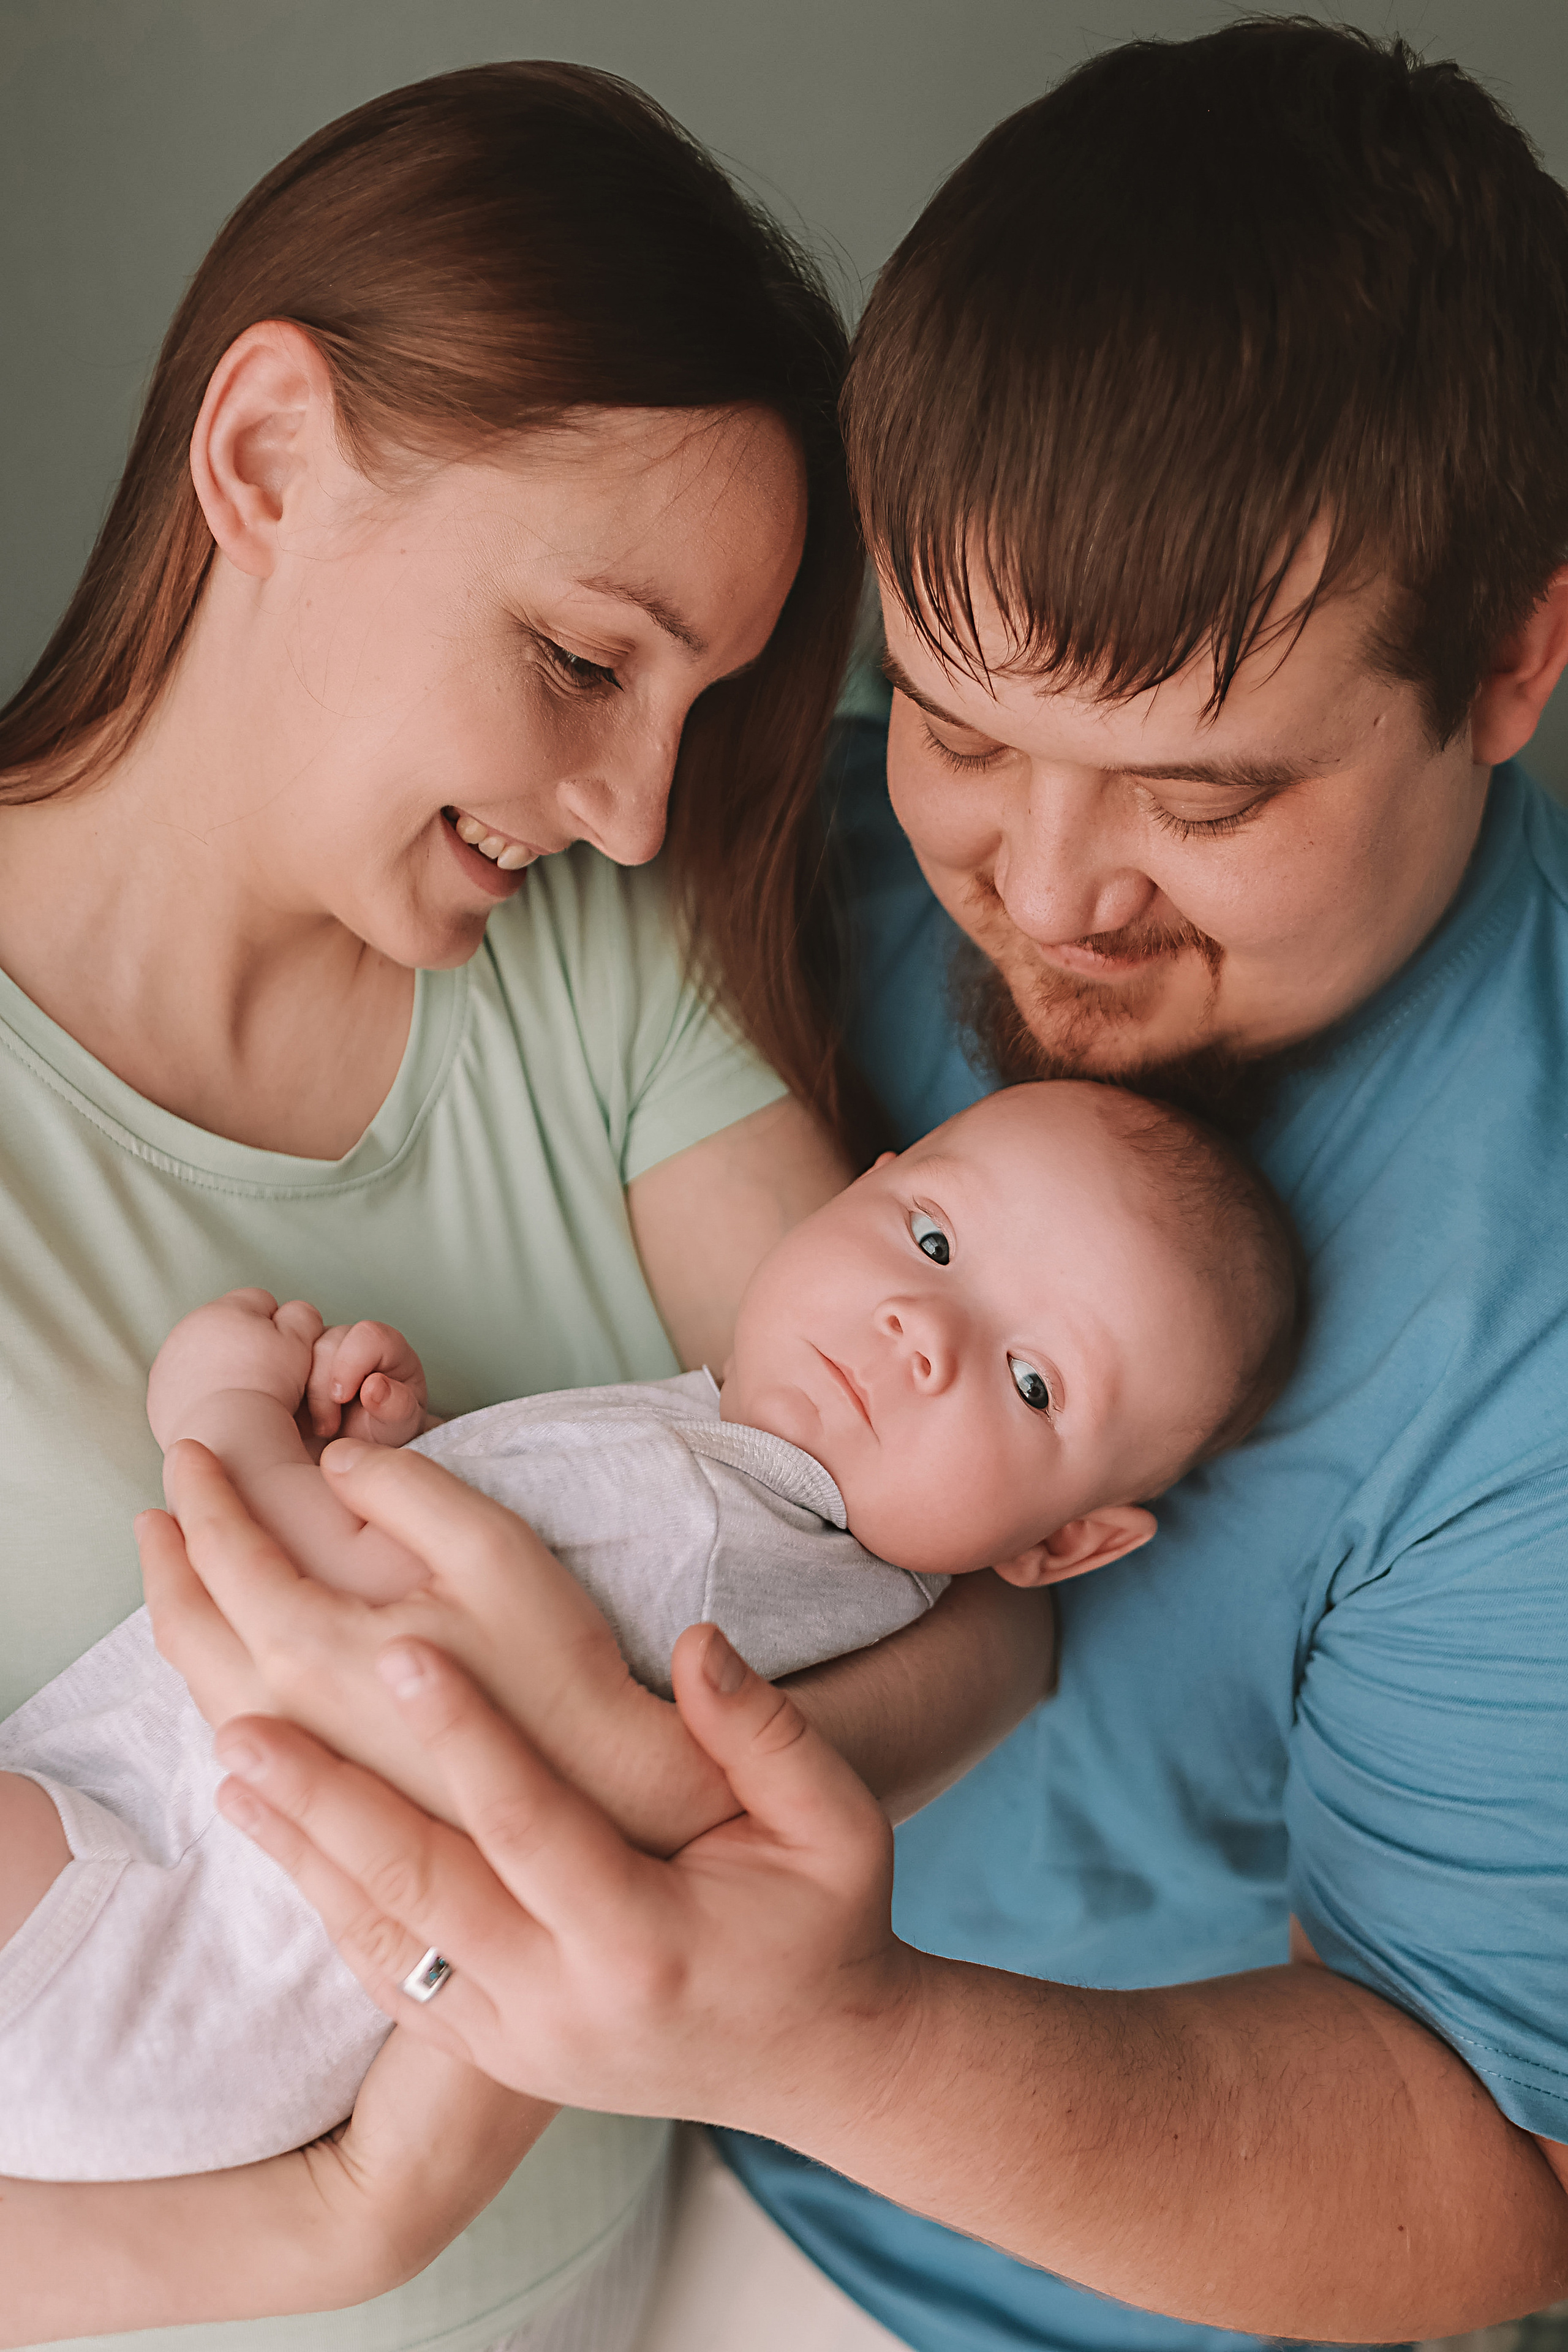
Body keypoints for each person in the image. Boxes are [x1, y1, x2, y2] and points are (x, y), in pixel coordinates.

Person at [154, 21, 1568, 2352]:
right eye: (966, 728)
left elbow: (1500, 2176)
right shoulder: (759, 851)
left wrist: (821, 2030)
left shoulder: (1518, 1325)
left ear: (1508, 660)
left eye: (1203, 800)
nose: (1049, 893)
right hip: (588, 2170)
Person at [0, 56, 1062, 2352]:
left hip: (630, 2281)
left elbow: (985, 1612)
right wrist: (342, 2224)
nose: (634, 800)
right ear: (265, 457)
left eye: (707, 700)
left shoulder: (606, 964)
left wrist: (639, 1769)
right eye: (587, 662)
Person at [0, 1080, 1298, 2187]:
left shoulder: (703, 1521)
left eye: (1031, 1381)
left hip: (146, 1929)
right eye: (932, 1242)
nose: (923, 1330)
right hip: (210, 2009)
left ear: (1060, 1548)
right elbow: (530, 1593)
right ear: (860, 1187)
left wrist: (225, 1409)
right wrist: (413, 1450)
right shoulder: (778, 1544)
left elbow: (357, 1619)